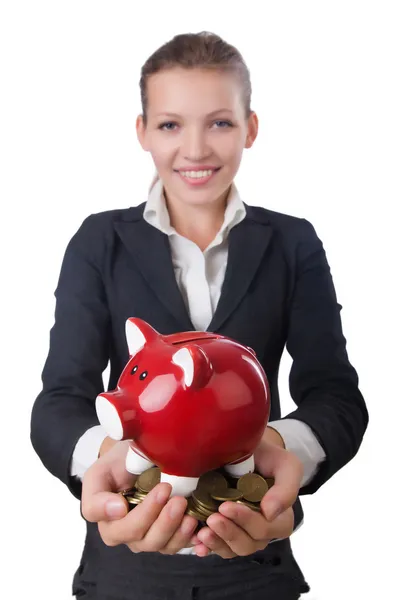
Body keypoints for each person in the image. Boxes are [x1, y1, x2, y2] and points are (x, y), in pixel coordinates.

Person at [30, 31, 368, 600]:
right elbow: (59, 399)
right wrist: (107, 462)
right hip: (124, 573)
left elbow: (336, 395)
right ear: (141, 132)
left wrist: (279, 452)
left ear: (250, 128)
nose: (195, 149)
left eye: (219, 122)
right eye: (169, 124)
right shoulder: (98, 242)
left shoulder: (292, 242)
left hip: (255, 566)